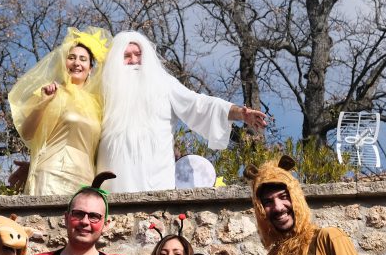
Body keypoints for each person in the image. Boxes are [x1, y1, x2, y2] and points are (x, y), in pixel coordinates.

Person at [96, 31, 267, 193]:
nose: (134, 60)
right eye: (126, 56)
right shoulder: (102, 89)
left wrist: (239, 113)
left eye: (138, 54)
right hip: (113, 176)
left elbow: (198, 104)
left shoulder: (163, 83)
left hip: (155, 178)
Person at [8, 27, 109, 196]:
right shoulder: (51, 92)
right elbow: (27, 133)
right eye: (71, 57)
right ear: (64, 63)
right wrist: (43, 103)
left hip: (86, 179)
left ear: (90, 68)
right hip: (52, 174)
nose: (77, 63)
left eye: (83, 59)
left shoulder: (98, 104)